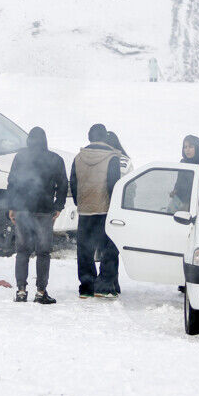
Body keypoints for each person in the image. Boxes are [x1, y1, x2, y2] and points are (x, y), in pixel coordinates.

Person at [6, 127, 68, 304]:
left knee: (22, 251)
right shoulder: (55, 159)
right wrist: (58, 206)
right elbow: (63, 185)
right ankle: (41, 292)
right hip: (44, 211)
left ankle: (21, 291)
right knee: (43, 252)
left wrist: (12, 206)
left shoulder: (20, 157)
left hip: (23, 210)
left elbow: (12, 183)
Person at [69, 124, 125, 298]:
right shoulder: (111, 158)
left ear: (89, 136)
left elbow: (73, 181)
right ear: (104, 137)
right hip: (105, 209)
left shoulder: (78, 157)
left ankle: (87, 286)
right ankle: (105, 286)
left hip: (85, 210)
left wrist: (81, 202)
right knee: (109, 248)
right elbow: (113, 184)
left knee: (84, 249)